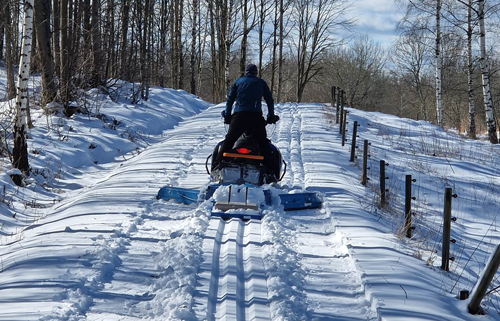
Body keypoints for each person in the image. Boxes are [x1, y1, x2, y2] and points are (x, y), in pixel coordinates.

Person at [216, 64, 280, 171]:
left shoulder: (238, 82)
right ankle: (271, 171)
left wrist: (227, 116)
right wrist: (271, 116)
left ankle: (217, 165)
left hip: (239, 117)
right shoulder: (261, 83)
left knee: (229, 141)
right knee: (263, 143)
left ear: (246, 72)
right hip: (255, 117)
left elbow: (230, 100)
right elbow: (269, 100)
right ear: (256, 72)